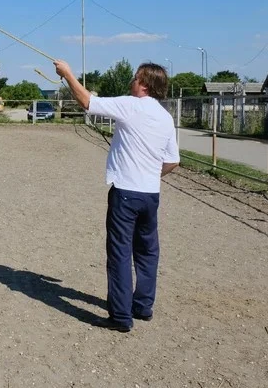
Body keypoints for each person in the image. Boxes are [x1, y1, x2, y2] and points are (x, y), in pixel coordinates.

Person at [54, 59, 180, 332]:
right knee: (147, 252)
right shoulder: (165, 117)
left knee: (120, 253)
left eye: (135, 78)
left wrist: (67, 73)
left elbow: (87, 101)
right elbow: (172, 162)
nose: (131, 81)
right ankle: (142, 306)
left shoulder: (131, 105)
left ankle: (121, 317)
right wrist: (149, 175)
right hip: (151, 195)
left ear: (144, 84)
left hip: (125, 193)